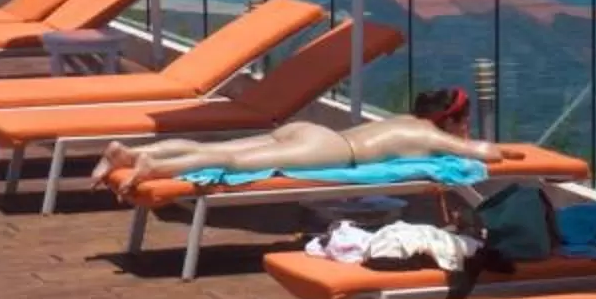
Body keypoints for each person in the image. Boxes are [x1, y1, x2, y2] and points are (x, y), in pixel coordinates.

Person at [104, 110, 505, 192]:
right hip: (332, 149)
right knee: (232, 162)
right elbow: (488, 154)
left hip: (310, 129)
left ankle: (129, 153)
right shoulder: (432, 135)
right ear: (447, 121)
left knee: (217, 147)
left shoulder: (402, 118)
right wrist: (468, 142)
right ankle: (154, 165)